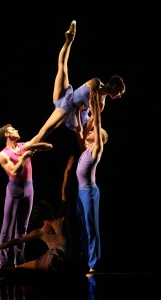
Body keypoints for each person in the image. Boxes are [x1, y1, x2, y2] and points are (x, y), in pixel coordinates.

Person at [25, 19, 125, 147]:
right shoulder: (96, 82)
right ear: (114, 87)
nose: (119, 96)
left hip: (68, 110)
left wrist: (83, 139)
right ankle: (69, 39)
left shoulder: (101, 105)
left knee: (44, 131)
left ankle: (24, 149)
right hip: (66, 95)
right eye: (120, 92)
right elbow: (93, 99)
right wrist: (93, 113)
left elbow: (90, 124)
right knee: (62, 67)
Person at [0, 155, 75, 272]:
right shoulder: (61, 219)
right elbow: (65, 192)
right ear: (49, 208)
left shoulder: (40, 232)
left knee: (21, 267)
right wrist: (67, 172)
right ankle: (54, 263)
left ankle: (49, 264)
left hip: (52, 259)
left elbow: (16, 241)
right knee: (48, 259)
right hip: (65, 259)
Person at [0, 123, 53, 271]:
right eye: (13, 129)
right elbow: (13, 172)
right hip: (15, 189)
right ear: (6, 134)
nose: (17, 130)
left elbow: (47, 144)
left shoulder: (23, 146)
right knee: (7, 227)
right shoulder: (3, 154)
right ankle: (2, 260)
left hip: (29, 188)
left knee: (22, 228)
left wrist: (35, 146)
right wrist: (24, 157)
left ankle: (19, 261)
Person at [75, 91, 108, 277]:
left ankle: (94, 264)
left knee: (90, 227)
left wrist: (96, 107)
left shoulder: (96, 150)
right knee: (81, 226)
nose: (91, 130)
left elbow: (97, 124)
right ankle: (85, 258)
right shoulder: (84, 150)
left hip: (89, 192)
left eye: (94, 131)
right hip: (80, 192)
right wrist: (79, 115)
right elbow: (79, 131)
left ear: (97, 138)